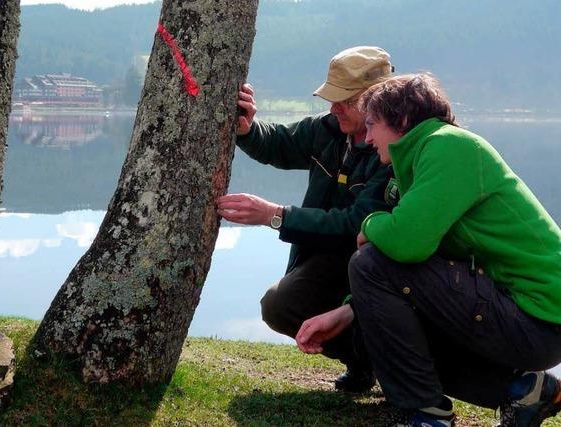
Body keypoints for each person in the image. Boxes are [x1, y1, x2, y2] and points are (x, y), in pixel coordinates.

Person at [295, 73, 561, 426]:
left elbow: (406, 243)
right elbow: (422, 258)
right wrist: (349, 312)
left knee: (370, 263)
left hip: (538, 318)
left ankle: (427, 414)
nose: (369, 136)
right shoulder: (426, 156)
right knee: (374, 324)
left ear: (403, 121)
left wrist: (369, 226)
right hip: (519, 314)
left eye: (373, 124)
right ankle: (526, 391)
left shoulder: (448, 147)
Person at [216, 46, 397, 392]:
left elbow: (353, 223)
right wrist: (247, 130)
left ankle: (390, 366)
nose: (333, 108)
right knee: (279, 306)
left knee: (290, 304)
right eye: (332, 98)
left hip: (373, 265)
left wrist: (274, 216)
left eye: (343, 100)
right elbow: (280, 144)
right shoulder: (327, 129)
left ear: (375, 99)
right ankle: (362, 362)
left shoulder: (392, 149)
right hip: (325, 259)